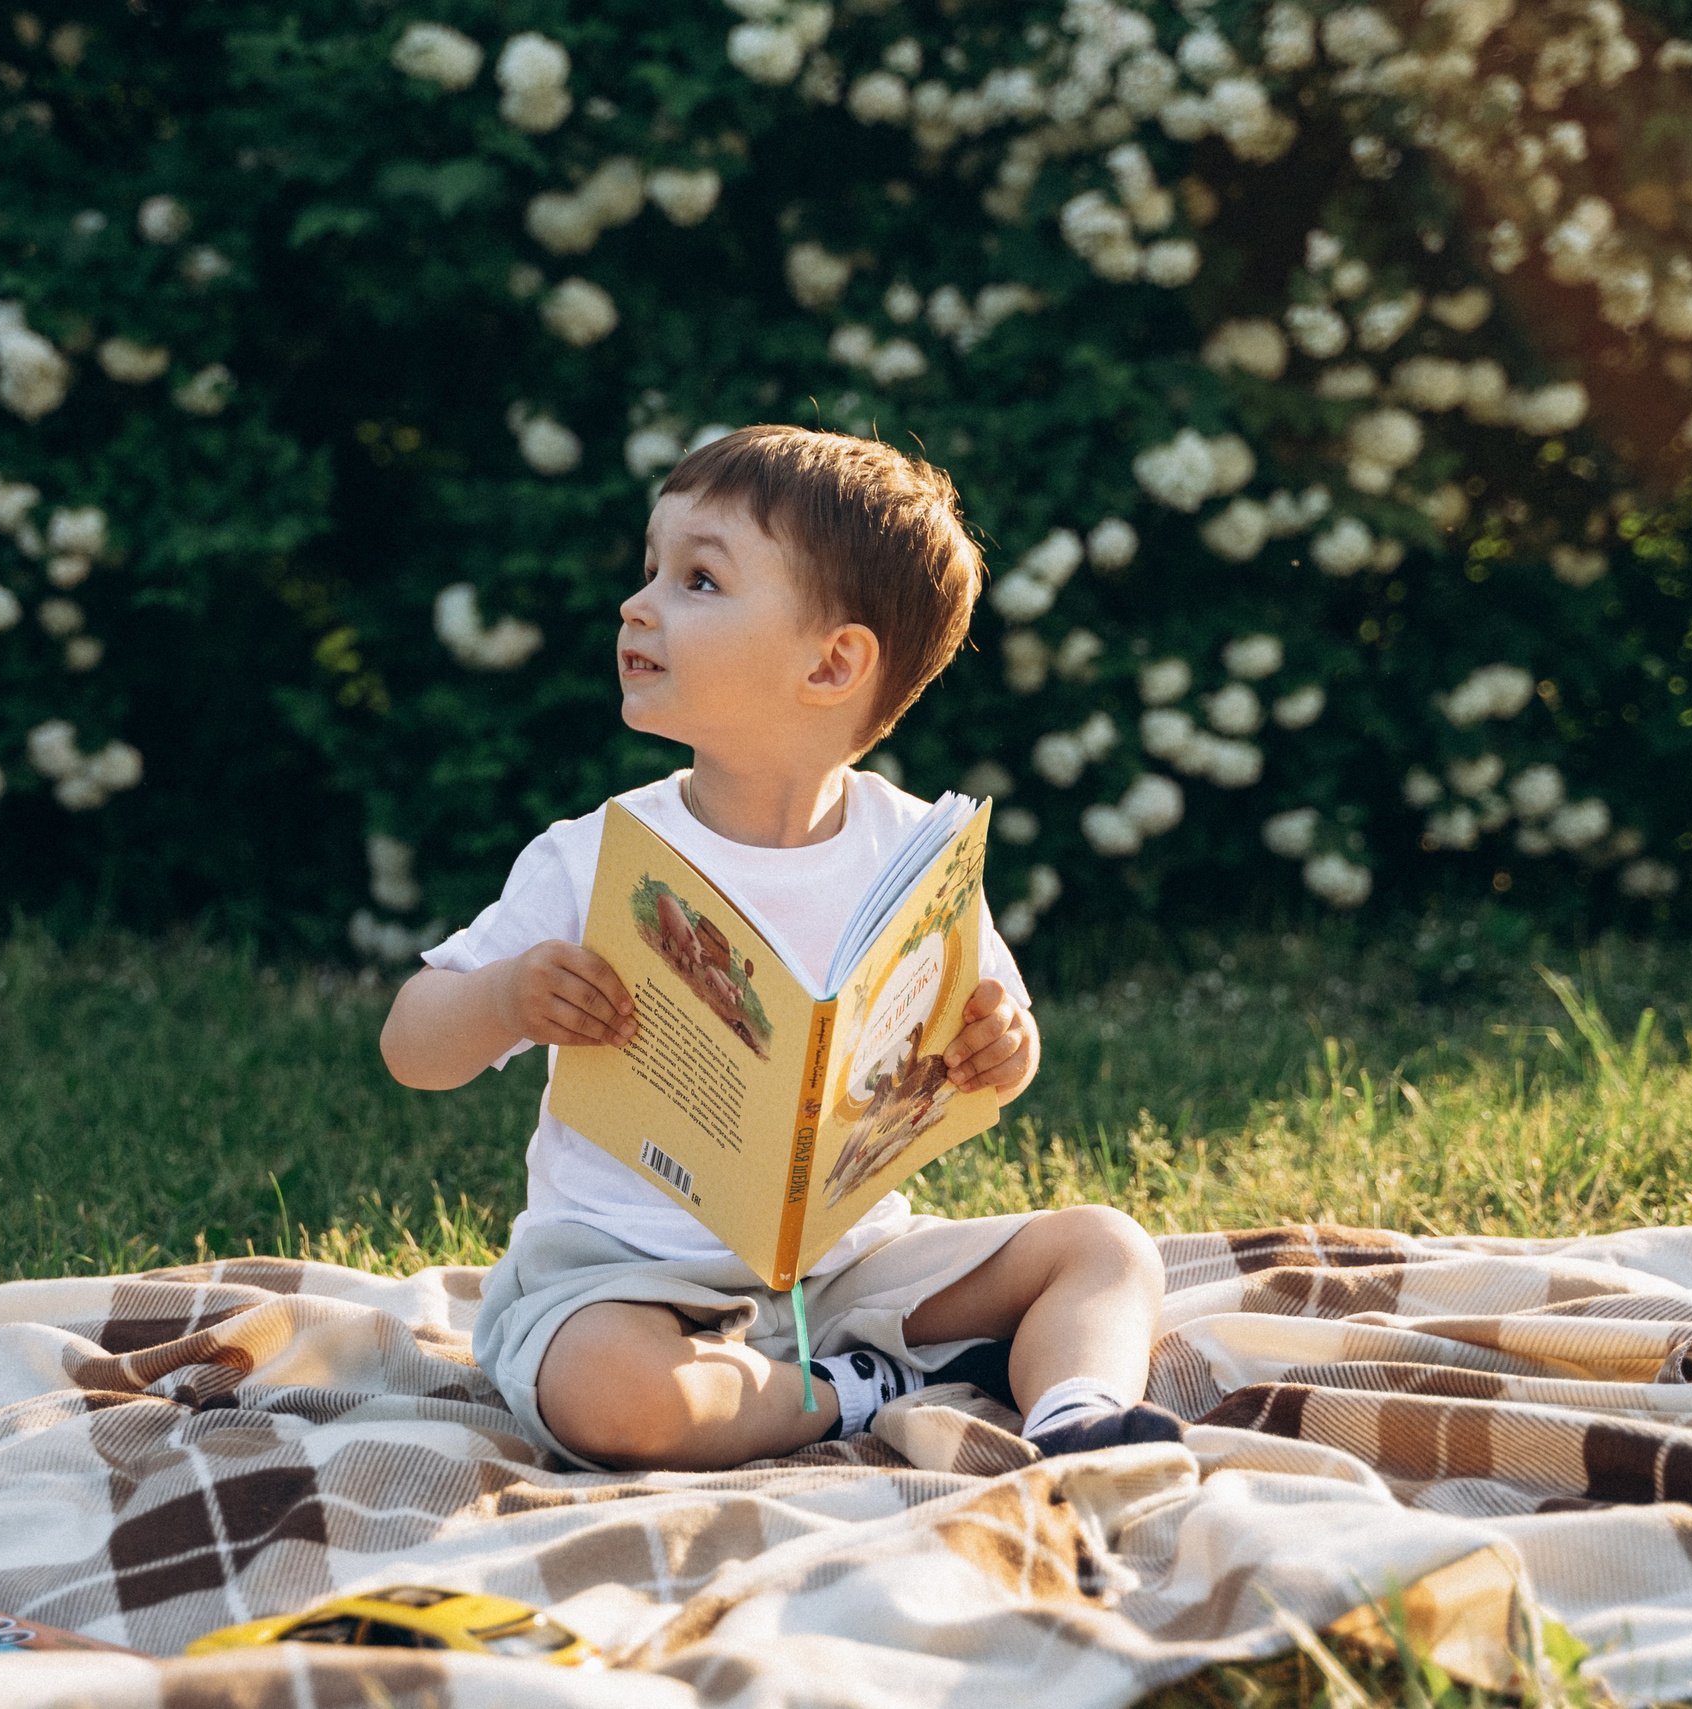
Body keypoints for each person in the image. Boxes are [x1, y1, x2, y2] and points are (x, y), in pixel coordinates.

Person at [380, 426, 1180, 1472]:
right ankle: (849, 1392)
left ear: (833, 661)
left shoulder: (911, 855)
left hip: (848, 1263)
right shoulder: (599, 857)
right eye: (651, 567)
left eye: (699, 577)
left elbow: (993, 1038)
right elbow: (410, 1045)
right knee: (611, 1395)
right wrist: (507, 998)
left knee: (1106, 1243)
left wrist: (1001, 1047)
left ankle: (1078, 1414)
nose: (640, 602)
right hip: (620, 1278)